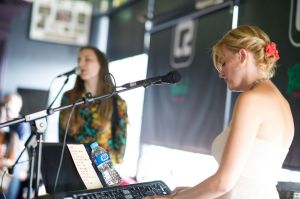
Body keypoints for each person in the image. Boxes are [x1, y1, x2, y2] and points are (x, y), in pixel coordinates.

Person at [144, 25, 295, 199]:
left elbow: (224, 183)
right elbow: (245, 180)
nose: (221, 73)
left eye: (224, 62)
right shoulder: (281, 103)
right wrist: (189, 192)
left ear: (242, 56)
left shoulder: (251, 100)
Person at [59, 46, 129, 165]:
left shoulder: (117, 103)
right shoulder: (68, 97)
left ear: (101, 64)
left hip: (103, 170)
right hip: (74, 167)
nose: (81, 63)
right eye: (79, 59)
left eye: (87, 59)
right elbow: (62, 138)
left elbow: (120, 149)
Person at [0, 92, 31, 199]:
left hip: (15, 164)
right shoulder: (3, 118)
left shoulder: (22, 124)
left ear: (18, 107)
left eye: (10, 103)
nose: (7, 106)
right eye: (5, 103)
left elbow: (18, 149)